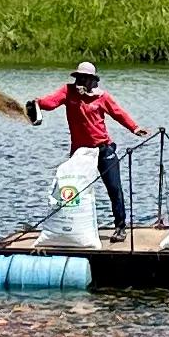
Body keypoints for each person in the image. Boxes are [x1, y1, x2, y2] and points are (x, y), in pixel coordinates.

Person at [25, 57, 145, 232]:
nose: (80, 82)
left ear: (92, 81)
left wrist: (134, 128)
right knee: (72, 189)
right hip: (80, 152)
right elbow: (51, 102)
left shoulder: (102, 97)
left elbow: (118, 113)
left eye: (84, 78)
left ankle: (120, 227)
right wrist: (38, 103)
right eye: (78, 78)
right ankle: (69, 226)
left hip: (103, 150)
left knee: (114, 189)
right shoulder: (68, 91)